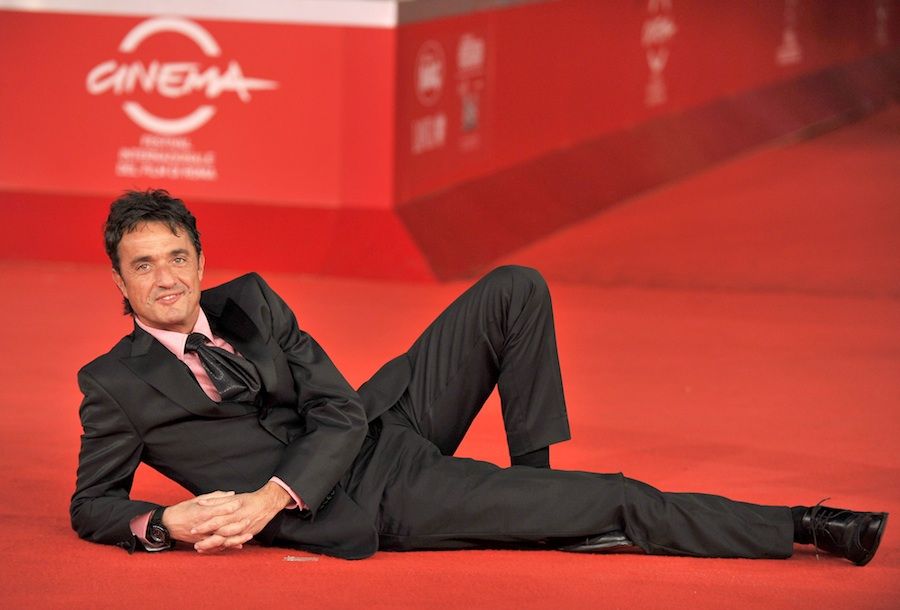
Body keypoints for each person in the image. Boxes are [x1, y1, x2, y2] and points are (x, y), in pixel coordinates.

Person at [71, 189, 888, 565]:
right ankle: (806, 525)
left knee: (512, 288)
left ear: (200, 258)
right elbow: (91, 503)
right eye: (145, 265)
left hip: (378, 423)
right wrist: (162, 524)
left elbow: (338, 409)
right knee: (622, 498)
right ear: (119, 282)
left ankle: (537, 494)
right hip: (370, 498)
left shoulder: (248, 300)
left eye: (178, 256)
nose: (167, 277)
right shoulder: (112, 384)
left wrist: (264, 500)